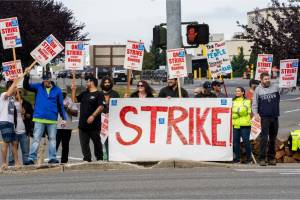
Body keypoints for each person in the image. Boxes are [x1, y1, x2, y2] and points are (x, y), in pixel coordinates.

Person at [23, 70, 67, 165]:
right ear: (42, 80)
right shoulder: (38, 87)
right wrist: (26, 75)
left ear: (51, 79)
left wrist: (64, 118)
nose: (46, 81)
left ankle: (52, 157)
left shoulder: (57, 90)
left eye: (48, 79)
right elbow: (26, 86)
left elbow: (60, 105)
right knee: (36, 139)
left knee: (52, 139)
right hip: (39, 118)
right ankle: (31, 158)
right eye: (45, 80)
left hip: (52, 119)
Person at [72, 77, 105, 162]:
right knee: (84, 144)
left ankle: (99, 158)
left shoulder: (99, 94)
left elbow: (101, 106)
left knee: (97, 143)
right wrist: (73, 90)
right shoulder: (84, 93)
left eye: (87, 81)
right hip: (83, 125)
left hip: (94, 125)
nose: (86, 83)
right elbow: (74, 100)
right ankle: (87, 159)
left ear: (92, 82)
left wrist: (93, 116)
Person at [252, 72, 280, 166]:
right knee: (264, 138)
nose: (267, 80)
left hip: (274, 116)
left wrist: (289, 85)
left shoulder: (275, 87)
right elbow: (254, 104)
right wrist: (255, 114)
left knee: (273, 138)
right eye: (265, 79)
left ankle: (271, 158)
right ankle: (262, 159)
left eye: (268, 79)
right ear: (261, 80)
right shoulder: (258, 90)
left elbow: (284, 91)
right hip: (264, 117)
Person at [8, 90, 33, 166]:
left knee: (25, 149)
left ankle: (26, 162)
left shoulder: (26, 103)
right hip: (14, 130)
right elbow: (8, 115)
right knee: (12, 149)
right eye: (15, 93)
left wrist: (26, 115)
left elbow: (32, 115)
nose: (17, 94)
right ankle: (11, 162)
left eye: (19, 93)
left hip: (24, 130)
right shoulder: (10, 103)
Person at [0, 80, 20, 169]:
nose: (16, 89)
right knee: (6, 142)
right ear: (10, 87)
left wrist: (17, 94)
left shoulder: (12, 98)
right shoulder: (3, 94)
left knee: (15, 142)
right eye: (15, 87)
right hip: (4, 121)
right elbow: (8, 94)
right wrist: (15, 82)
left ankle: (16, 162)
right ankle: (4, 163)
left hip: (11, 123)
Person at [100, 76, 120, 160]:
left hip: (112, 120)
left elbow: (119, 106)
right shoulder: (99, 94)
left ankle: (111, 156)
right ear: (102, 84)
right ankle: (103, 156)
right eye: (105, 82)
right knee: (103, 139)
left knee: (111, 139)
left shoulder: (115, 94)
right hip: (101, 119)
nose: (107, 84)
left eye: (108, 82)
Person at [56, 88, 78, 164]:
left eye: (64, 93)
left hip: (67, 126)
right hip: (56, 126)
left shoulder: (70, 101)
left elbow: (76, 113)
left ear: (66, 93)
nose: (62, 95)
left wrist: (67, 109)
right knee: (54, 144)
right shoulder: (55, 100)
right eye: (61, 93)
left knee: (65, 145)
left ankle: (64, 161)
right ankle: (52, 159)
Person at [232, 87, 252, 164]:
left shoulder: (247, 101)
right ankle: (237, 158)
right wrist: (237, 112)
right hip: (235, 125)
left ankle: (249, 159)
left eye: (238, 91)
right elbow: (231, 110)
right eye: (236, 91)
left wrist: (234, 114)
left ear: (243, 92)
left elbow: (245, 110)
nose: (237, 92)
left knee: (246, 142)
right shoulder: (232, 101)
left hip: (245, 125)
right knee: (235, 142)